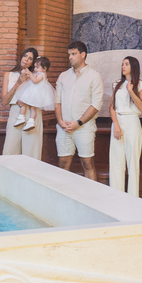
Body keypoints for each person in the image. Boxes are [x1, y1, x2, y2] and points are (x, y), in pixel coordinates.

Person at [53, 41, 103, 181]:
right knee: (63, 164)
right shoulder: (63, 76)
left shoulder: (94, 76)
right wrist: (60, 122)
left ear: (83, 55)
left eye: (73, 54)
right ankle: (63, 193)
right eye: (69, 54)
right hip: (64, 127)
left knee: (87, 164)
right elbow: (57, 101)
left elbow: (96, 105)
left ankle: (90, 194)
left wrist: (79, 123)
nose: (70, 57)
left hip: (84, 128)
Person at [109, 56, 142, 196]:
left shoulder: (140, 85)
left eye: (126, 64)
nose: (123, 67)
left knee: (133, 162)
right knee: (116, 161)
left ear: (133, 67)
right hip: (117, 121)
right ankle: (116, 195)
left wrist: (131, 91)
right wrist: (116, 125)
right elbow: (112, 107)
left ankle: (132, 197)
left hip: (132, 121)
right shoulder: (116, 84)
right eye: (122, 64)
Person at [1, 48, 40, 158]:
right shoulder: (9, 75)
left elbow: (42, 97)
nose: (26, 59)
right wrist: (18, 83)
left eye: (30, 58)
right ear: (21, 57)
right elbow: (4, 102)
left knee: (31, 154)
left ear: (33, 62)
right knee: (10, 152)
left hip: (32, 114)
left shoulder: (36, 76)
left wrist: (27, 101)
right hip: (15, 112)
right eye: (25, 56)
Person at [15, 56, 55, 140]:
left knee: (29, 105)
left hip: (35, 93)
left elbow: (35, 81)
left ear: (44, 68)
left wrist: (30, 73)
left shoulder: (41, 74)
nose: (35, 69)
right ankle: (24, 118)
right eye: (35, 67)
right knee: (29, 106)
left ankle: (29, 120)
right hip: (33, 92)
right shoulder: (39, 73)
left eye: (37, 67)